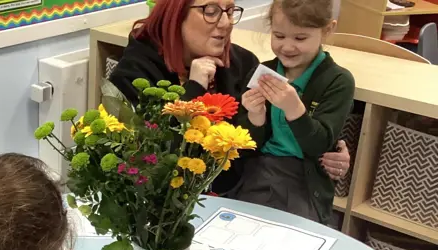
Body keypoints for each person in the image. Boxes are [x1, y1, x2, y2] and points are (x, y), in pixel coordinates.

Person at [108, 0, 351, 195]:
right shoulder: (136, 72)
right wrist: (193, 88)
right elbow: (151, 156)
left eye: (230, 10)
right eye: (211, 11)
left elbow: (254, 139)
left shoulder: (242, 63)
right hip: (163, 200)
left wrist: (328, 149)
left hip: (238, 196)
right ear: (176, 14)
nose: (225, 23)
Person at [236, 0, 354, 223]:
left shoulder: (338, 81)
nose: (287, 47)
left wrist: (295, 110)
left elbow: (319, 144)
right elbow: (246, 147)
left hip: (305, 178)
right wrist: (255, 116)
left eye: (300, 38)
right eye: (279, 36)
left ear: (327, 30)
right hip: (260, 170)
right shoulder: (264, 72)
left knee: (296, 238)